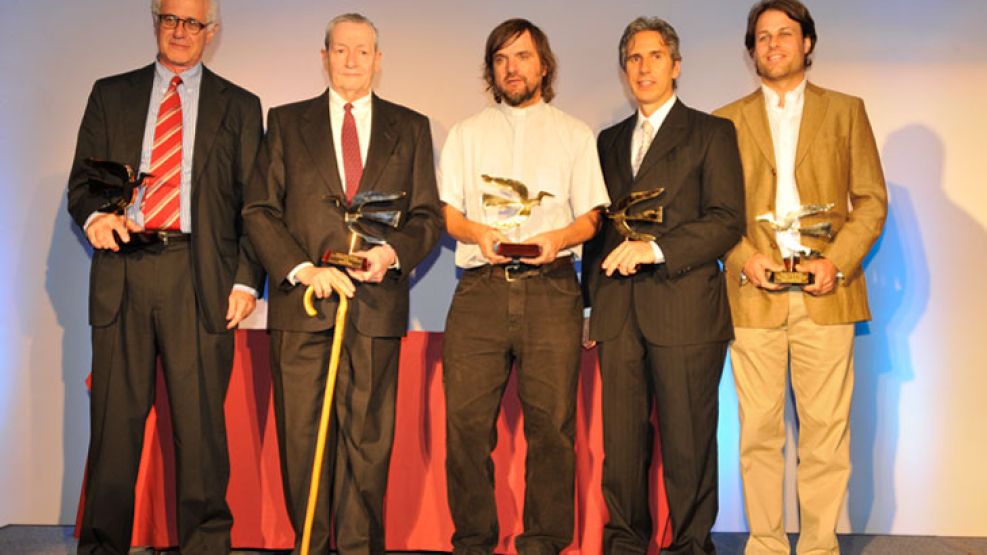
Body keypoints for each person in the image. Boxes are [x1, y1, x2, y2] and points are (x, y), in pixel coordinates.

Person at [66, 0, 264, 553]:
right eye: (170, 19)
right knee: (114, 430)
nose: (181, 31)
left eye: (193, 22)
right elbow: (81, 185)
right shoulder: (112, 94)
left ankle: (205, 547)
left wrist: (247, 282)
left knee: (201, 435)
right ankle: (103, 546)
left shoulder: (241, 106)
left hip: (200, 279)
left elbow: (256, 205)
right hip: (122, 272)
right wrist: (95, 216)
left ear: (211, 32)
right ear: (155, 23)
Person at [242, 13, 441, 555]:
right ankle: (309, 546)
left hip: (375, 306)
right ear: (324, 56)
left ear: (379, 60)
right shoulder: (285, 122)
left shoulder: (412, 126)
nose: (352, 60)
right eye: (341, 50)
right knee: (303, 441)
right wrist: (306, 269)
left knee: (368, 445)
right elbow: (259, 211)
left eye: (363, 51)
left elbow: (427, 216)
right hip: (303, 305)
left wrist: (391, 255)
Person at [713, 1, 888, 553]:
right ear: (751, 51)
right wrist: (743, 258)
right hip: (753, 294)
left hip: (826, 293)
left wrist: (835, 262)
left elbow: (872, 202)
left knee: (825, 436)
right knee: (758, 435)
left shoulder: (846, 111)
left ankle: (818, 546)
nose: (772, 44)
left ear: (807, 43)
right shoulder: (724, 121)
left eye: (784, 34)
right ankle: (764, 543)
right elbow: (713, 211)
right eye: (762, 37)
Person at [437, 18, 610, 555]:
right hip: (480, 292)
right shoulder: (466, 133)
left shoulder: (575, 134)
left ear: (544, 65)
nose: (512, 68)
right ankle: (473, 541)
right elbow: (449, 213)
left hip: (552, 291)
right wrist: (478, 233)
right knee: (465, 430)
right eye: (501, 59)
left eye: (523, 57)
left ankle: (543, 543)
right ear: (492, 70)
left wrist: (559, 238)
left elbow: (592, 218)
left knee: (552, 430)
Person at [582, 16, 745, 555]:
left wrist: (656, 248)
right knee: (621, 447)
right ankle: (624, 543)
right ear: (624, 70)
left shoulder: (711, 132)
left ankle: (691, 546)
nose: (643, 67)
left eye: (654, 56)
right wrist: (589, 306)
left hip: (685, 311)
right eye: (633, 58)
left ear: (676, 66)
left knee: (688, 444)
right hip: (618, 313)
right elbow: (596, 230)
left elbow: (726, 220)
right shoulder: (606, 142)